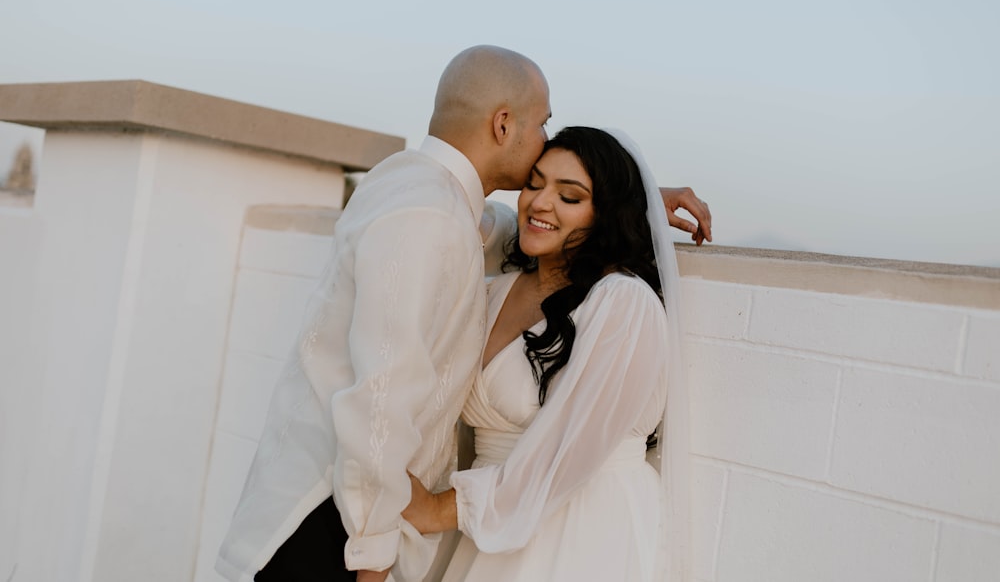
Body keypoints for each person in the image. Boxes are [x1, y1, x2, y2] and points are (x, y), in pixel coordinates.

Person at [216, 46, 706, 582]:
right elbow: (379, 401)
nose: (545, 139)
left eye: (569, 193)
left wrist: (627, 199)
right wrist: (375, 559)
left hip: (565, 537)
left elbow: (491, 225)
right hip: (339, 523)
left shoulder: (406, 184)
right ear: (503, 124)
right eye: (543, 124)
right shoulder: (432, 218)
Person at [403, 126, 690, 582]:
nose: (539, 202)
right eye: (534, 184)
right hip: (488, 532)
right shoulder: (495, 291)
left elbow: (570, 443)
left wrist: (441, 508)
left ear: (605, 215)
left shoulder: (623, 303)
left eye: (569, 196)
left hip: (581, 530)